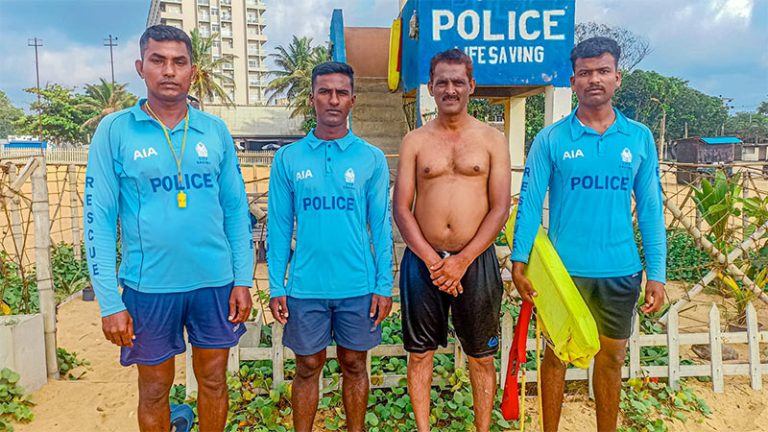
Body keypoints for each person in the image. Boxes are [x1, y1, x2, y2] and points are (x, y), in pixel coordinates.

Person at [84, 24, 254, 432]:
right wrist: (110, 301)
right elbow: (99, 218)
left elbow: (235, 210)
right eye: (158, 61)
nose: (169, 71)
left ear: (192, 71)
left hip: (214, 282)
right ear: (141, 67)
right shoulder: (115, 131)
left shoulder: (214, 131)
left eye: (179, 62)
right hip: (149, 287)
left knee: (213, 381)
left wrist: (242, 279)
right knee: (155, 389)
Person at [511, 36, 667, 432]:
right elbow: (529, 203)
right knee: (555, 357)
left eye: (602, 71)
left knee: (611, 359)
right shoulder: (551, 139)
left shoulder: (639, 138)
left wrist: (659, 274)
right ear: (573, 81)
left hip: (621, 270)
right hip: (564, 275)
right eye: (584, 73)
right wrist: (519, 260)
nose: (593, 79)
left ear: (617, 77)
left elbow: (650, 210)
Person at [267, 61, 393, 432]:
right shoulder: (288, 159)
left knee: (354, 364)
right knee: (307, 366)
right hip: (306, 287)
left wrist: (383, 284)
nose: (333, 100)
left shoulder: (371, 158)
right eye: (325, 91)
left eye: (340, 92)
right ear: (313, 99)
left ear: (352, 100)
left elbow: (381, 227)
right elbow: (278, 228)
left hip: (357, 285)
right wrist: (277, 285)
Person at [393, 48, 511, 432]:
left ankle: (481, 429)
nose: (450, 89)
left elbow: (499, 209)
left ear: (471, 86)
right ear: (430, 87)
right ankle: (424, 429)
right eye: (441, 81)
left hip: (475, 261)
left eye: (458, 81)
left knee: (481, 356)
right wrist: (433, 260)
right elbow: (402, 209)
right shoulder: (415, 140)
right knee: (420, 354)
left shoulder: (492, 139)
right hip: (422, 260)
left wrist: (461, 260)